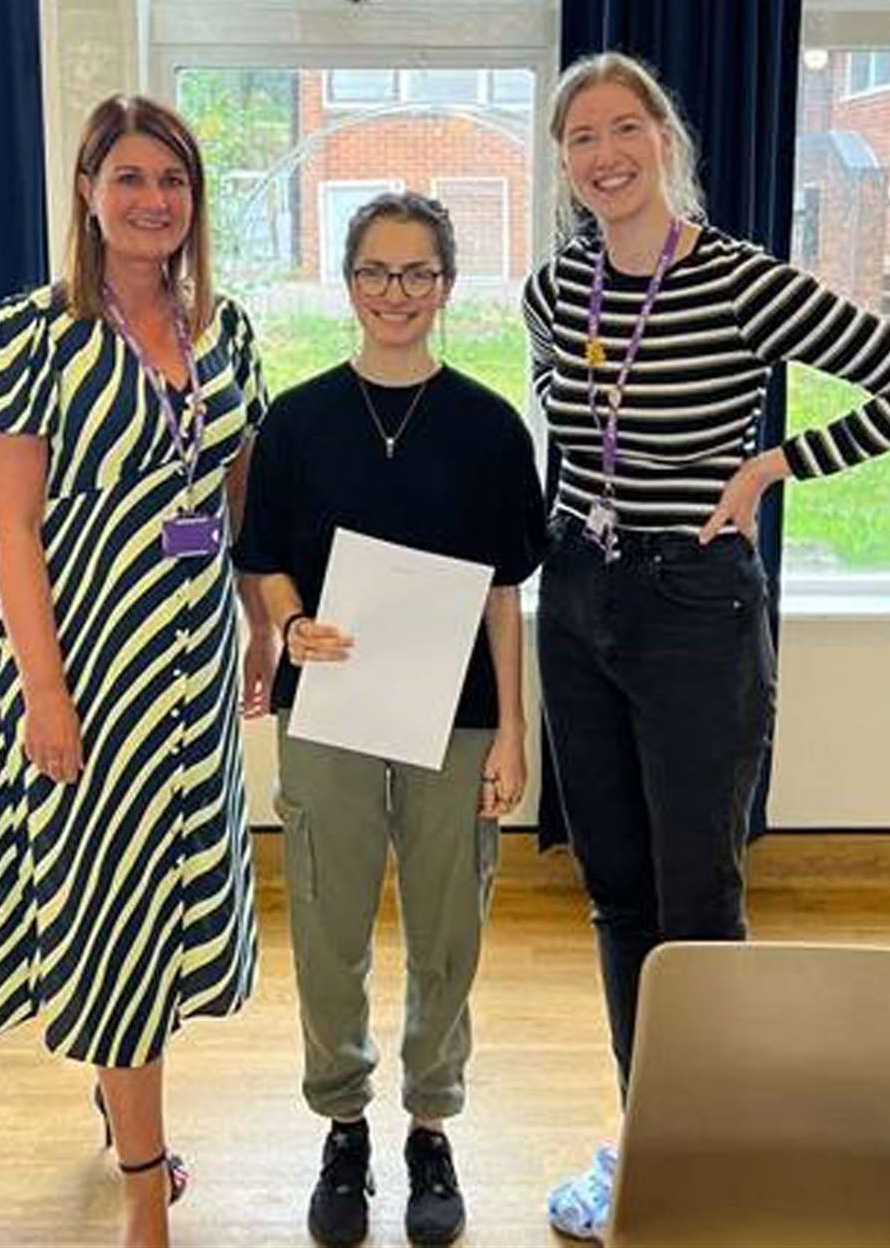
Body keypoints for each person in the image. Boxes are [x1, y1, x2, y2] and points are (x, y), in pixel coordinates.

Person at [523, 50, 890, 1242]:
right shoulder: (558, 291)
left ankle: (720, 1147)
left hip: (696, 605)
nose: (605, 153)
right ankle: (651, 1137)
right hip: (580, 595)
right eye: (581, 137)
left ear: (665, 138)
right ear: (564, 163)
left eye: (624, 127)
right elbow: (570, 440)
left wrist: (776, 463)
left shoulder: (744, 281)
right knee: (616, 889)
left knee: (697, 896)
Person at [0, 95, 274, 1248]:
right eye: (129, 178)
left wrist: (254, 618)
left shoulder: (224, 330)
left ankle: (119, 1091)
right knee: (119, 918)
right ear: (87, 191)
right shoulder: (31, 336)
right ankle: (146, 1180)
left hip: (188, 660)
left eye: (174, 182)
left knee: (167, 898)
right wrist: (46, 694)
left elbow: (233, 490)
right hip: (85, 660)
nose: (153, 201)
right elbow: (10, 534)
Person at [233, 191, 546, 1248]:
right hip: (329, 709)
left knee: (447, 930)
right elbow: (262, 555)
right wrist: (290, 622)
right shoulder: (301, 420)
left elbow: (506, 594)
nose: (396, 293)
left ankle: (429, 1124)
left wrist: (513, 730)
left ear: (447, 286)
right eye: (376, 271)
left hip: (457, 720)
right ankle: (343, 1125)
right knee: (326, 924)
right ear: (348, 280)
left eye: (418, 274)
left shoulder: (493, 428)